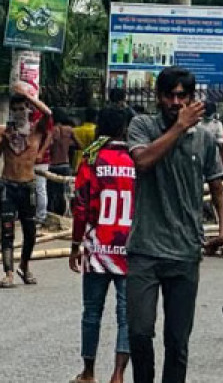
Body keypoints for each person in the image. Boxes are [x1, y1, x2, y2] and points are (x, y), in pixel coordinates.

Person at [126, 67, 223, 383]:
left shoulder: (206, 138)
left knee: (177, 340)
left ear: (191, 98)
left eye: (182, 95)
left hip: (185, 252)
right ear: (158, 97)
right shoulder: (142, 125)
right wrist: (179, 128)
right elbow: (142, 162)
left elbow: (217, 185)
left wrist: (221, 229)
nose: (175, 101)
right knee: (140, 332)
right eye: (169, 95)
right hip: (144, 249)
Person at [70, 108, 135, 383]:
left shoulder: (91, 158)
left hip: (98, 248)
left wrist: (75, 244)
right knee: (126, 314)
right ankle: (118, 374)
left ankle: (88, 372)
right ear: (125, 129)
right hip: (130, 246)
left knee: (92, 312)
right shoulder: (137, 158)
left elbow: (80, 206)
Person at [1, 81, 53, 288]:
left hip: (28, 185)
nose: (19, 113)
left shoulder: (36, 131)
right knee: (6, 231)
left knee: (30, 232)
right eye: (15, 110)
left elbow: (48, 114)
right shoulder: (4, 132)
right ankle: (9, 273)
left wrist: (28, 96)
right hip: (7, 185)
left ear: (29, 109)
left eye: (22, 109)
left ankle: (24, 265)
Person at [48, 107, 81, 216]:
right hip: (65, 165)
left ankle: (53, 213)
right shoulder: (69, 130)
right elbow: (79, 145)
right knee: (66, 193)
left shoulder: (51, 131)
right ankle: (66, 214)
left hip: (52, 165)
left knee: (52, 193)